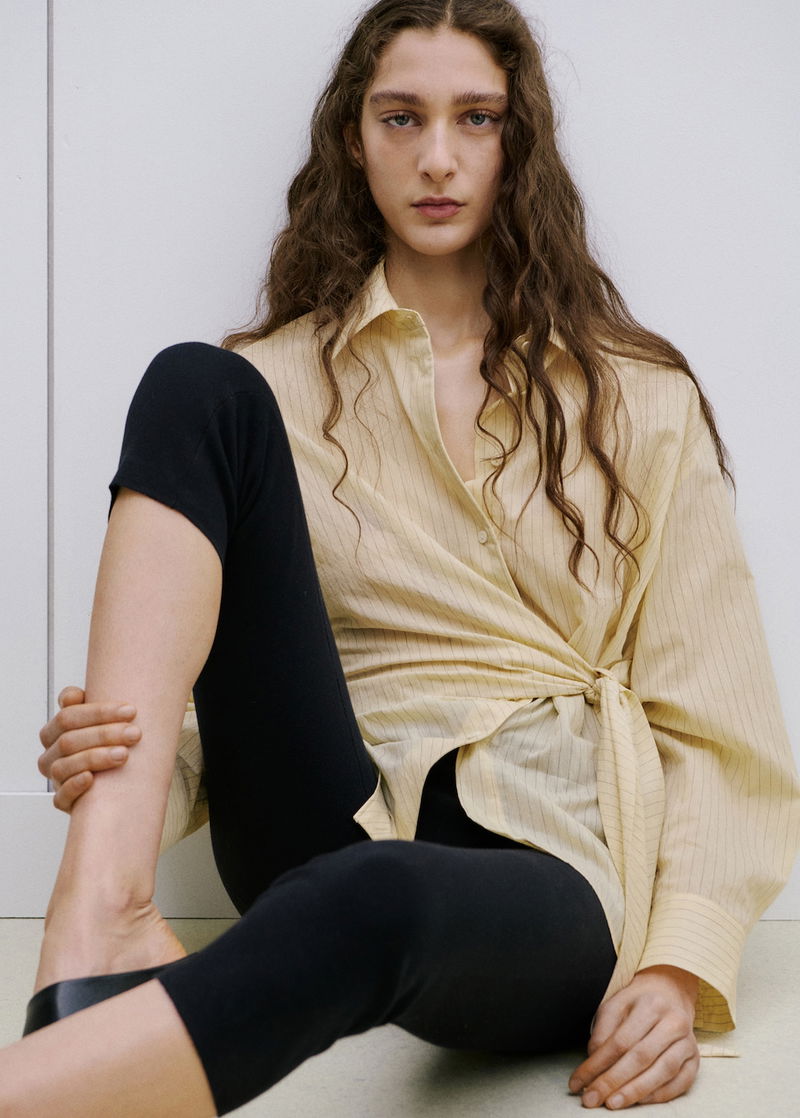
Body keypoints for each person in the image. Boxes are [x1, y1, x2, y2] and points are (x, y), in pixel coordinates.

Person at [2, 1, 798, 1114]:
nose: (436, 158)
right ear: (353, 139)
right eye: (400, 117)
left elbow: (719, 727)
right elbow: (233, 676)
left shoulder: (637, 398)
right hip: (331, 808)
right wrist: (124, 760)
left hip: (546, 870)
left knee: (374, 894)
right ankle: (104, 908)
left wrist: (677, 964)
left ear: (518, 143)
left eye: (475, 118)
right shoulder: (278, 384)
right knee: (195, 383)